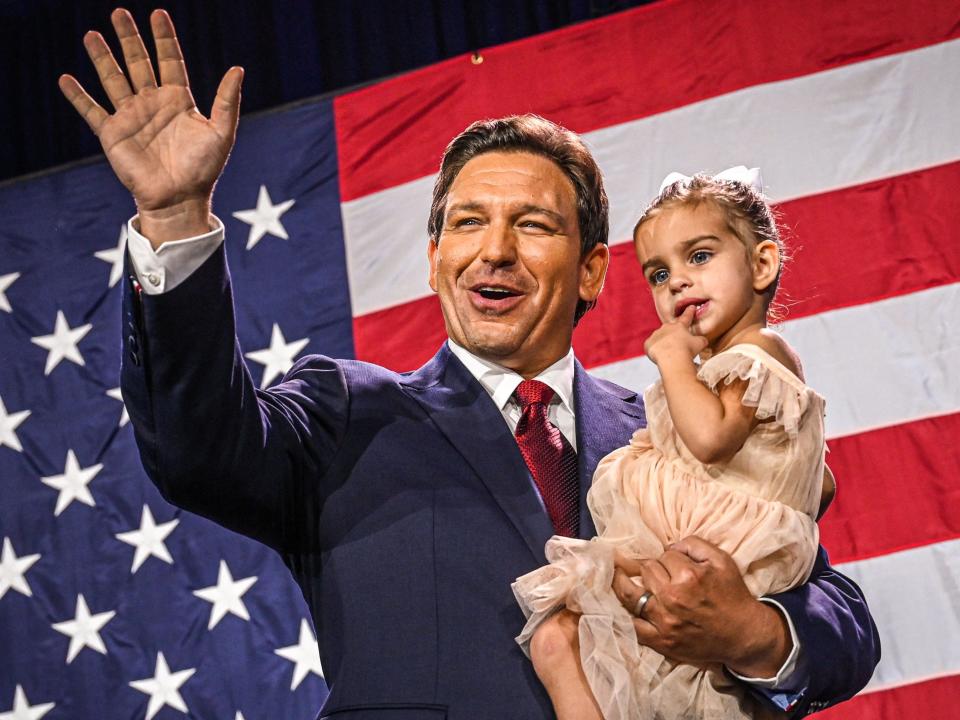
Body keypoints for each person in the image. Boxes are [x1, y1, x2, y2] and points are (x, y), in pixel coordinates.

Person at [59, 9, 879, 719]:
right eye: (466, 223)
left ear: (592, 269)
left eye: (532, 224)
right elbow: (197, 448)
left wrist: (755, 632)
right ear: (434, 257)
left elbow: (838, 614)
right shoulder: (346, 411)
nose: (493, 251)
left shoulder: (670, 432)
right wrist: (173, 219)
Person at [514, 168, 841, 719]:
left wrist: (671, 358)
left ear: (762, 264)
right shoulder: (722, 373)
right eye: (659, 273)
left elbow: (710, 439)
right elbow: (820, 483)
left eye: (700, 257)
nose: (678, 283)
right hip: (690, 555)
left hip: (713, 567)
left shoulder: (758, 354)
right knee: (557, 640)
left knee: (569, 640)